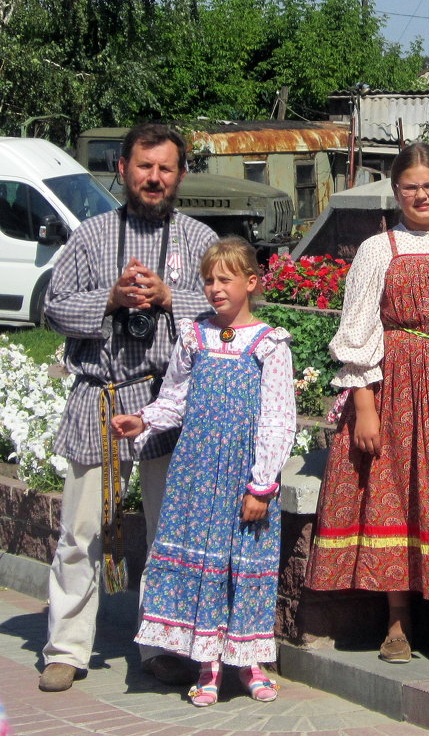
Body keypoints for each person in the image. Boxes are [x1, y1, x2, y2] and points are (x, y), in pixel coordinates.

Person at [39, 123, 217, 693]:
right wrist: (111, 299)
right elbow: (53, 308)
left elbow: (226, 309)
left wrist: (171, 298)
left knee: (169, 536)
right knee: (81, 533)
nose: (155, 178)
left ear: (181, 174)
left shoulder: (198, 238)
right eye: (145, 167)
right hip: (100, 398)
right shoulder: (90, 237)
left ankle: (161, 648)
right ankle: (66, 648)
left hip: (169, 401)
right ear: (122, 169)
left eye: (166, 168)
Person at [305, 143, 429, 663]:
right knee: (397, 495)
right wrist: (364, 405)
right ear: (396, 191)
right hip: (396, 388)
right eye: (410, 186)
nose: (421, 194)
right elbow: (357, 332)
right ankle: (397, 622)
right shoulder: (377, 250)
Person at [111, 237, 296, 705]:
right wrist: (145, 420)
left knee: (241, 565)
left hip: (241, 476)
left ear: (251, 283)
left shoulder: (269, 344)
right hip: (195, 473)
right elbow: (176, 396)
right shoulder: (195, 335)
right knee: (202, 566)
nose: (214, 288)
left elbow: (278, 418)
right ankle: (207, 665)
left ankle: (248, 663)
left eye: (225, 279)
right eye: (208, 280)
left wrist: (262, 483)